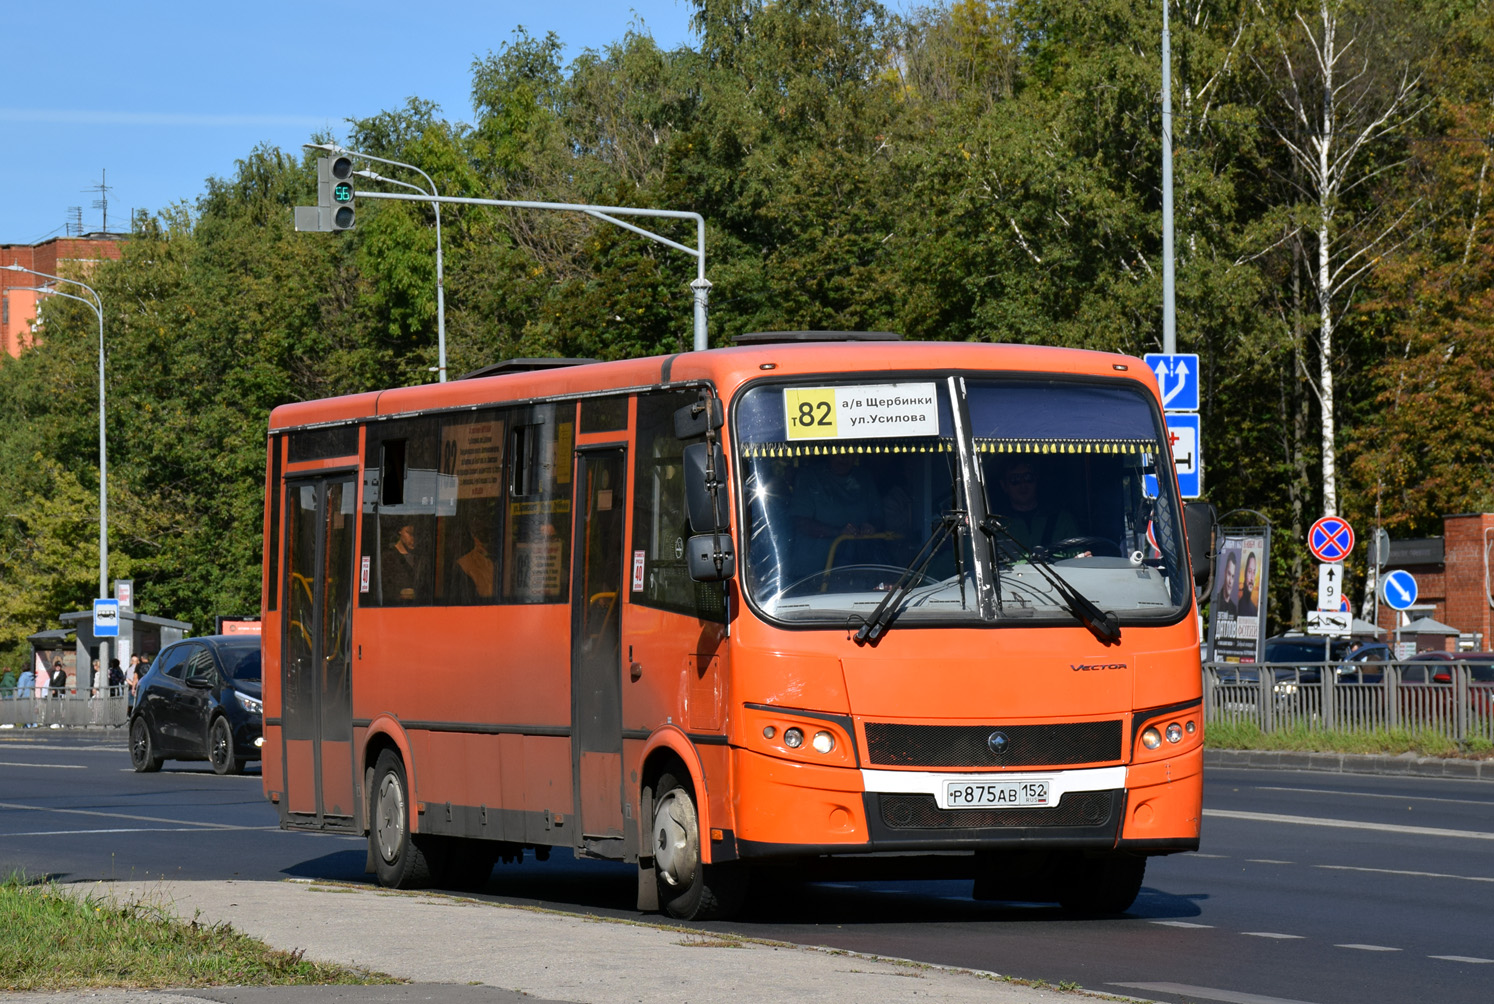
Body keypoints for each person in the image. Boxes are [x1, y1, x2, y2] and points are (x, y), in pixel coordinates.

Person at [789, 453, 885, 580]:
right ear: (828, 453)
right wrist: (838, 532)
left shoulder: (864, 478)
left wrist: (871, 527)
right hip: (812, 575)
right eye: (838, 451)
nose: (843, 456)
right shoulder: (809, 477)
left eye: (849, 451)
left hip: (859, 572)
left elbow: (879, 519)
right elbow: (801, 523)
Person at [989, 460, 1079, 553]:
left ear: (1036, 480)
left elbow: (1077, 556)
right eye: (1015, 479)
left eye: (1028, 477)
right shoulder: (995, 525)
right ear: (1004, 485)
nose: (1023, 485)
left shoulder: (1062, 520)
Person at [381, 521, 428, 603]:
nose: (413, 538)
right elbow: (381, 588)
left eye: (416, 534)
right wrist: (400, 595)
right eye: (409, 533)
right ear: (400, 531)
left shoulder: (420, 558)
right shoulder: (387, 557)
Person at [453, 525, 496, 601]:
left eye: (489, 533)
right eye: (482, 534)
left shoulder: (498, 563)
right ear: (474, 537)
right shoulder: (463, 564)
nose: (489, 539)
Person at [1236, 552, 1259, 618]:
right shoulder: (1237, 606)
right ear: (1245, 574)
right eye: (1249, 571)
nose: (1252, 578)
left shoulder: (1254, 609)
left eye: (1254, 572)